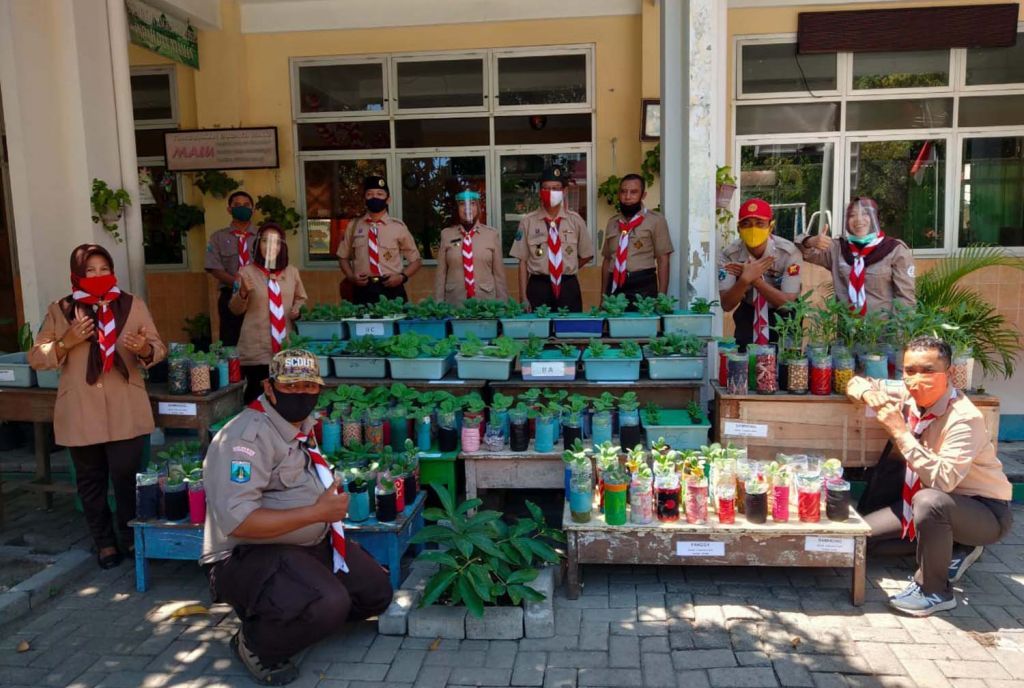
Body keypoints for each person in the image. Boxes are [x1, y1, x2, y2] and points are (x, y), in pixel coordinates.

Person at [202, 349, 393, 685]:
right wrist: (317, 512)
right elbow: (240, 523)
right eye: (291, 386)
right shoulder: (244, 439)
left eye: (309, 386)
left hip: (307, 541)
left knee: (376, 593)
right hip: (247, 554)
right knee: (328, 603)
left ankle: (301, 611)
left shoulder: (299, 425)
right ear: (269, 387)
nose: (302, 394)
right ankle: (256, 643)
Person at [848, 336, 1012, 616]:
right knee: (860, 541)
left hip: (983, 510)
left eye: (928, 371)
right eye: (910, 371)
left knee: (929, 501)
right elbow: (855, 382)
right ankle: (952, 548)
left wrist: (899, 431)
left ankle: (934, 591)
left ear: (948, 375)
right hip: (928, 505)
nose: (916, 379)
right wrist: (867, 393)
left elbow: (943, 481)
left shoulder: (964, 418)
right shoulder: (909, 396)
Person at [28, 244, 166, 569]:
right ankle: (104, 543)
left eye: (104, 268)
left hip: (125, 405)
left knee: (126, 476)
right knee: (90, 481)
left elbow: (159, 347)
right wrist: (67, 341)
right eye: (90, 270)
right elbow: (37, 356)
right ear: (77, 274)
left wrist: (146, 349)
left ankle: (132, 537)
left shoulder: (131, 304)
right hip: (80, 409)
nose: (98, 275)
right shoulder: (61, 309)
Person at [797, 197, 915, 315]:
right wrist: (810, 241)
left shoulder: (894, 250)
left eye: (865, 214)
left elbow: (905, 299)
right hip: (847, 331)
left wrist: (899, 332)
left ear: (876, 218)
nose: (859, 220)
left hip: (882, 330)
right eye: (852, 215)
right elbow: (800, 248)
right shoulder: (838, 248)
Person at [230, 223, 307, 404]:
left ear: (282, 247)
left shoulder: (292, 272)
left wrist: (298, 309)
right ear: (258, 244)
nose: (270, 246)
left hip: (286, 345)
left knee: (285, 395)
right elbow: (234, 309)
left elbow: (301, 298)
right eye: (265, 241)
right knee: (257, 396)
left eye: (276, 242)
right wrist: (242, 293)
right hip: (257, 348)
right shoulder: (245, 273)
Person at [718, 198, 803, 349]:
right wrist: (744, 280)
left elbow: (788, 303)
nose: (753, 229)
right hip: (749, 312)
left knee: (786, 365)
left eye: (759, 223)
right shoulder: (730, 255)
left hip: (784, 315)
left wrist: (755, 280)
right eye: (746, 224)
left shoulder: (788, 253)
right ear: (738, 228)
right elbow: (727, 304)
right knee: (746, 362)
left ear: (770, 226)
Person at [510, 165, 594, 312]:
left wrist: (565, 266)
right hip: (538, 286)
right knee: (538, 331)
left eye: (556, 188)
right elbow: (522, 262)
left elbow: (587, 254)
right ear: (540, 192)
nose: (550, 192)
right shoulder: (528, 221)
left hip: (568, 286)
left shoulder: (575, 220)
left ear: (564, 191)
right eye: (546, 188)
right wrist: (523, 297)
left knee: (569, 331)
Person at [336, 176, 422, 305]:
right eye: (369, 194)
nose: (374, 197)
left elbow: (416, 261)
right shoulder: (353, 226)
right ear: (364, 199)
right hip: (362, 290)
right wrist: (351, 277)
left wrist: (402, 277)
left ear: (388, 199)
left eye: (379, 194)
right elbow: (343, 257)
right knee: (362, 325)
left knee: (394, 324)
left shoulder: (398, 227)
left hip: (392, 289)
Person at [600, 174, 673, 305]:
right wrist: (603, 297)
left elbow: (663, 259)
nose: (627, 197)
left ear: (643, 195)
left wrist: (662, 298)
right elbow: (607, 260)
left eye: (633, 192)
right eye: (623, 191)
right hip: (615, 284)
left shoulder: (656, 220)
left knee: (643, 324)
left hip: (643, 284)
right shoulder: (612, 222)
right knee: (614, 324)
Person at [434, 189, 509, 306]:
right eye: (462, 204)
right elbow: (441, 274)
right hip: (455, 302)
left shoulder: (492, 235)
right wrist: (438, 303)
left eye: (472, 204)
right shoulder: (447, 235)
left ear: (478, 208)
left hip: (486, 303)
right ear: (457, 209)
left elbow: (499, 275)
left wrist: (502, 304)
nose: (467, 208)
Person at [205, 191, 258, 346]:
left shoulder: (262, 236)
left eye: (246, 205)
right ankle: (232, 370)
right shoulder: (218, 237)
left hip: (258, 294)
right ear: (229, 209)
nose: (242, 208)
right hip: (230, 294)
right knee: (231, 340)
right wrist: (238, 283)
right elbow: (214, 267)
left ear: (253, 209)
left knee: (258, 339)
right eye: (237, 205)